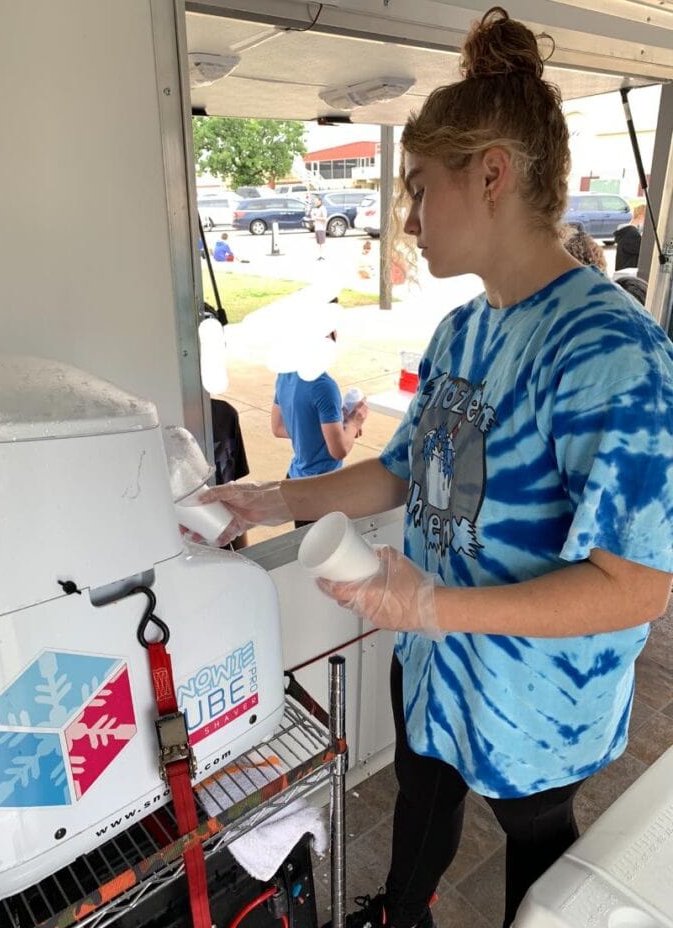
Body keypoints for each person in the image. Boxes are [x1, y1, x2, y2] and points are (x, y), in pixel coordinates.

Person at [199, 8, 673, 928]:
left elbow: (636, 585)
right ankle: (399, 911)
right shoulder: (465, 327)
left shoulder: (610, 352)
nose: (407, 219)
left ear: (491, 174)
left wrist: (427, 604)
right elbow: (402, 469)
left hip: (534, 700)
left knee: (538, 861)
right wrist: (268, 495)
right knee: (422, 797)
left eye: (418, 187)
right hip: (432, 662)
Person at [271, 332, 368, 528]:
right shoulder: (324, 386)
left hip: (297, 480)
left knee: (307, 549)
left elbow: (278, 427)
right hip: (323, 488)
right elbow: (338, 450)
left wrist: (326, 430)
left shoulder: (285, 374)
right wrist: (354, 422)